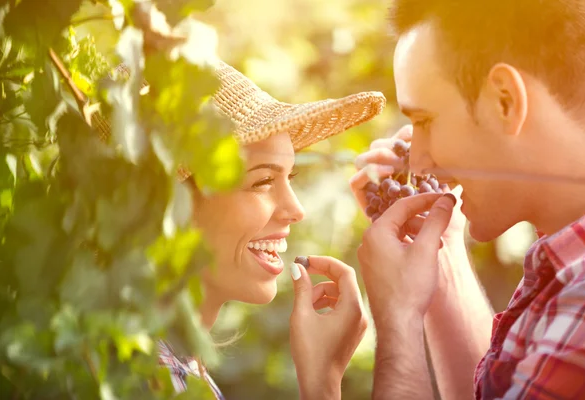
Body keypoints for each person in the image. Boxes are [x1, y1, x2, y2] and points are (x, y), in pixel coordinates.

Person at [345, 1, 585, 399]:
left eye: (425, 121)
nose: (418, 159)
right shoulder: (567, 266)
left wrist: (398, 319)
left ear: (505, 101)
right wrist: (437, 253)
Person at [104, 61, 385, 398]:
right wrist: (323, 386)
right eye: (263, 181)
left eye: (289, 177)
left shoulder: (174, 366)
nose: (296, 210)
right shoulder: (149, 380)